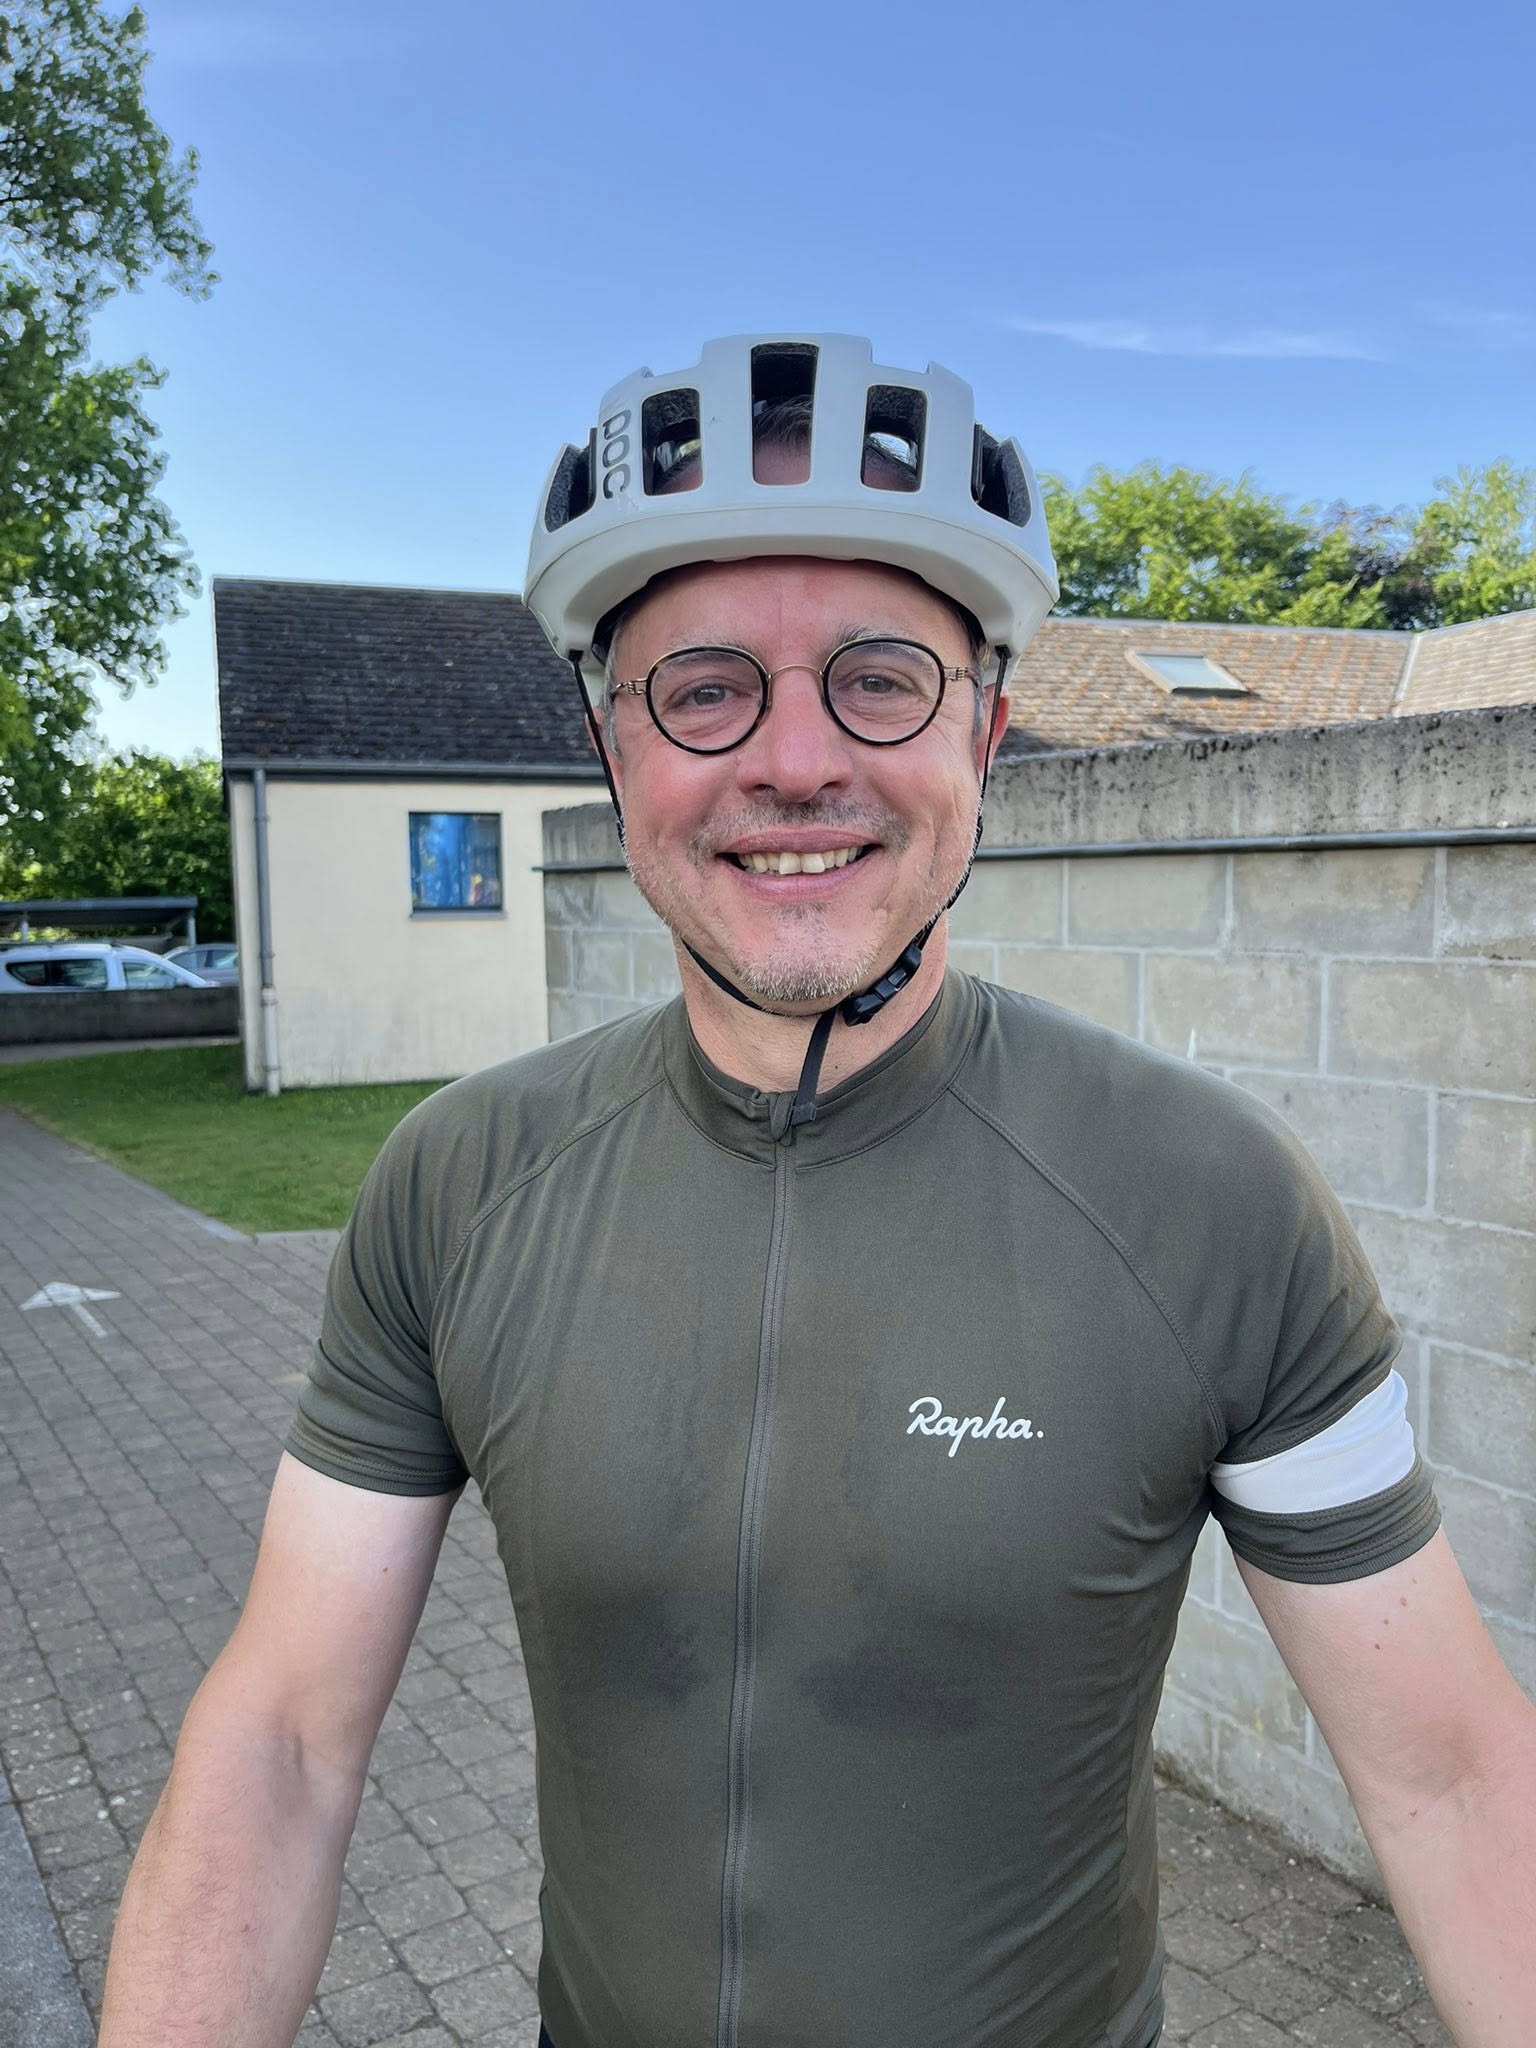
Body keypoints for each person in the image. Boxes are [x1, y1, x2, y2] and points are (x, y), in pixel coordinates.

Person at [100, 335, 1535, 2048]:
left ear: (986, 734)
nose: (794, 760)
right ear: (612, 748)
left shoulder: (1216, 1202)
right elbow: (281, 1742)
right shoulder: (455, 1185)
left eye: (882, 678)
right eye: (705, 687)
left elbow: (1455, 1786)